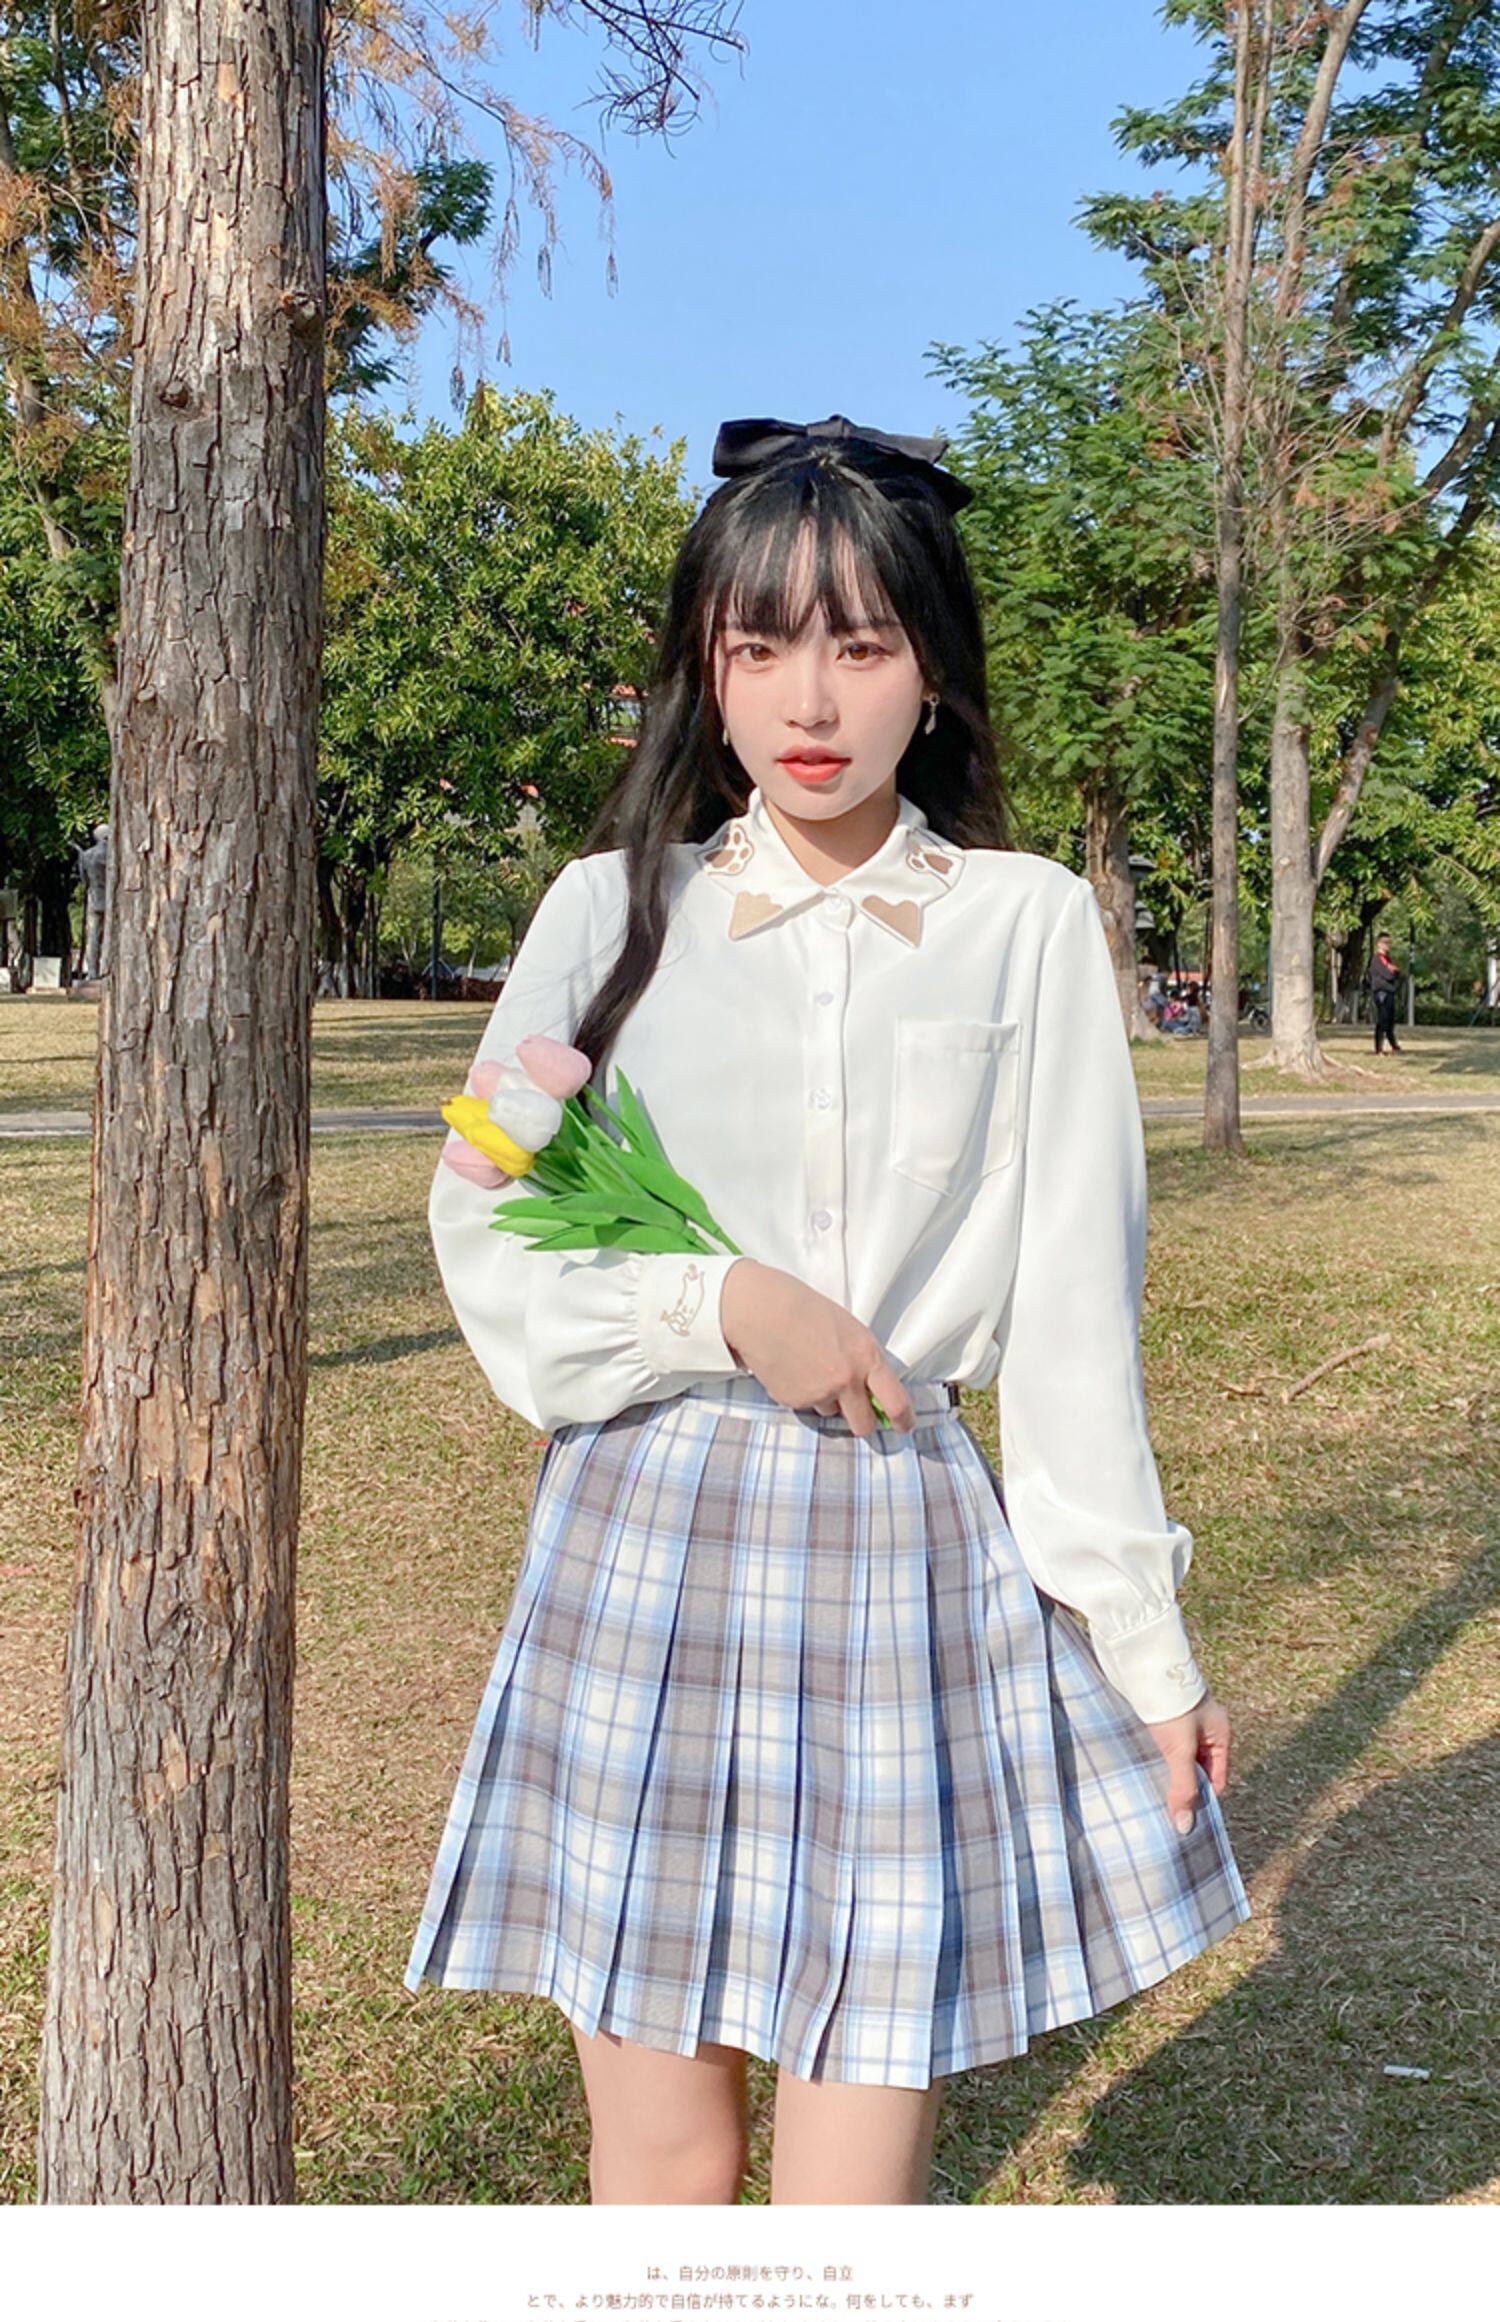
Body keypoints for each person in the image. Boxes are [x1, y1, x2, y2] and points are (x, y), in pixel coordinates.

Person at [402, 413, 1251, 2206]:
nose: (811, 699)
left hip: (895, 1546)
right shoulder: (607, 915)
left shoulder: (1026, 925)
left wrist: (1143, 1641)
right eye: (762, 645)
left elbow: (1076, 1317)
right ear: (704, 668)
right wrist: (720, 1303)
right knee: (659, 2147)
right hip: (643, 1545)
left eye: (862, 645)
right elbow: (481, 1214)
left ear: (930, 672)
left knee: (853, 2174)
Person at [1370, 930, 1403, 1053]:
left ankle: (1394, 1045)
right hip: (1381, 992)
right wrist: (1392, 971)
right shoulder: (1376, 959)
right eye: (1385, 942)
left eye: (1389, 942)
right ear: (1378, 944)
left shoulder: (1388, 959)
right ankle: (1378, 1048)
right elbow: (1388, 975)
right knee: (1382, 1020)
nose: (1388, 945)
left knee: (1390, 1021)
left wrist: (1394, 971)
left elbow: (1397, 973)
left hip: (1390, 991)